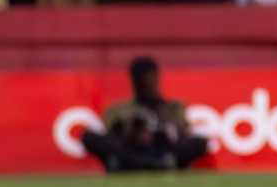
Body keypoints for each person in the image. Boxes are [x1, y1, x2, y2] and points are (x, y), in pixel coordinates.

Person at [80, 56, 209, 172]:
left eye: (148, 79)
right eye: (141, 80)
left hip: (161, 150)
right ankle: (153, 164)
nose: (146, 84)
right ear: (134, 81)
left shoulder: (173, 107)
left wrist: (161, 128)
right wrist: (132, 130)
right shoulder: (119, 110)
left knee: (200, 142)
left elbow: (183, 133)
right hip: (131, 150)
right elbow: (110, 135)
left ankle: (153, 163)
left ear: (156, 78)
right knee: (89, 137)